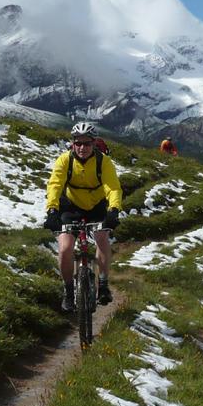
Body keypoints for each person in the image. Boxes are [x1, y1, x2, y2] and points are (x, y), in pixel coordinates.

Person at [43, 122, 122, 311]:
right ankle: (69, 291)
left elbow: (112, 187)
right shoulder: (65, 160)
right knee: (65, 249)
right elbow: (55, 185)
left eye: (87, 144)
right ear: (73, 143)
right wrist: (52, 210)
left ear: (94, 144)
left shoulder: (104, 161)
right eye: (78, 143)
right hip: (70, 206)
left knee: (102, 239)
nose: (82, 148)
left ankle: (103, 284)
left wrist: (114, 210)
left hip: (97, 206)